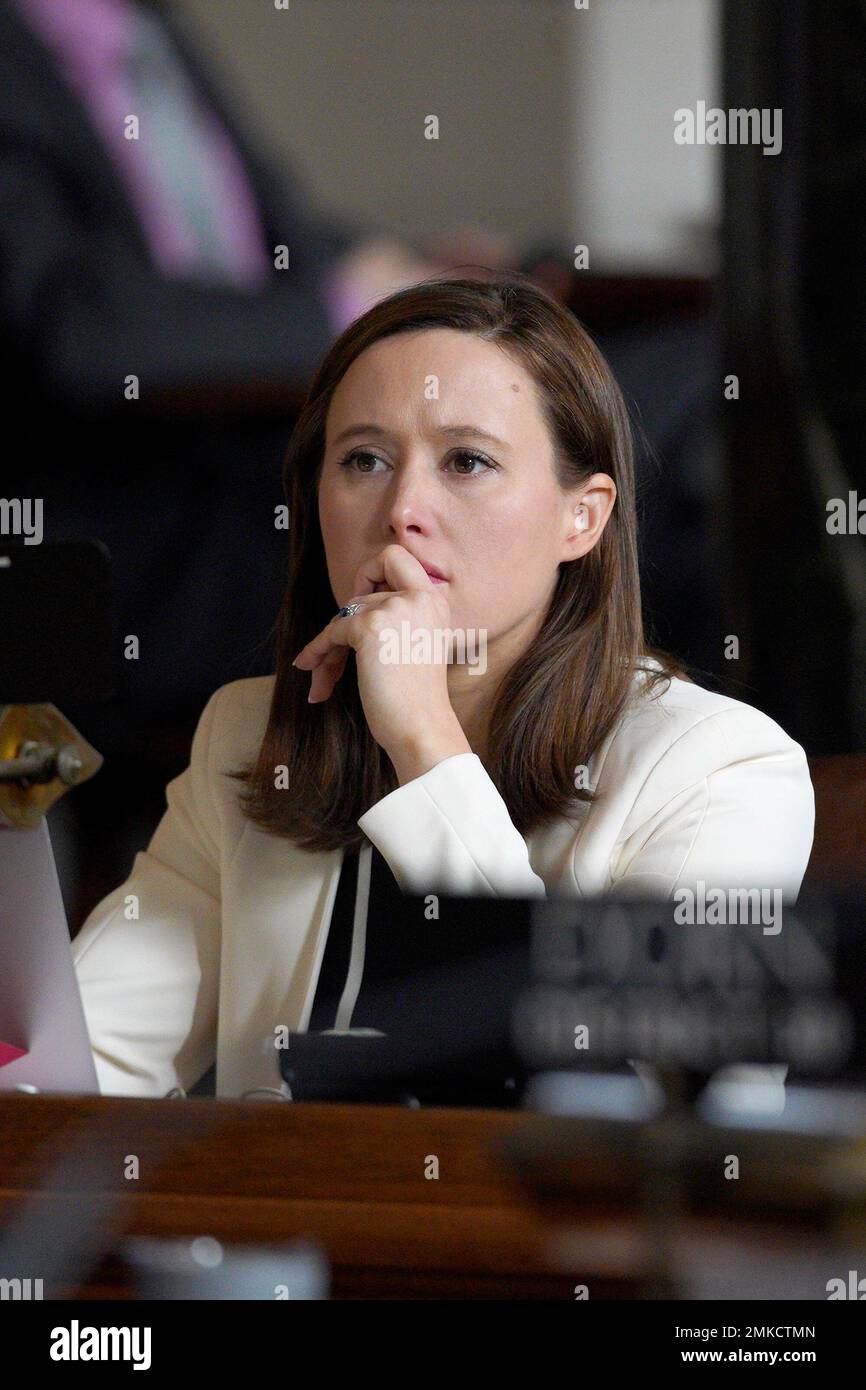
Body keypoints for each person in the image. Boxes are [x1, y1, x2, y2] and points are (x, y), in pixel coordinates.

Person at [71, 273, 815, 1099]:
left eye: (467, 461)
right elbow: (81, 1063)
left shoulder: (717, 767)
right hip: (289, 1227)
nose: (402, 509)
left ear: (584, 517)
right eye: (363, 459)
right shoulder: (247, 736)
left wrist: (425, 742)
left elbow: (626, 1117)